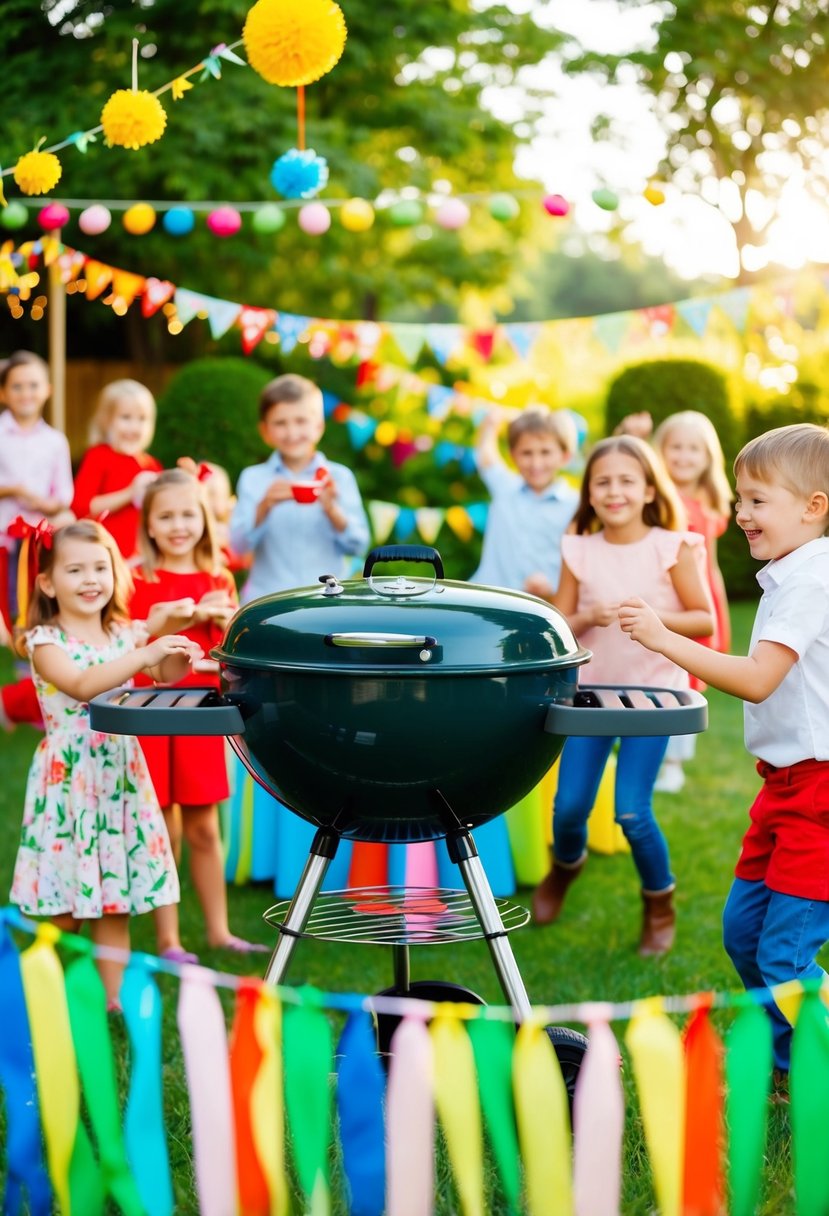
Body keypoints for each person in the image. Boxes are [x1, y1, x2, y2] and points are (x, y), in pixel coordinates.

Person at [620, 422, 829, 1088]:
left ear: (812, 506)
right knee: (744, 935)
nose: (740, 513)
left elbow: (756, 678)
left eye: (757, 500)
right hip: (783, 789)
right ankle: (791, 1057)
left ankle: (803, 1065)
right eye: (739, 497)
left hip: (819, 793)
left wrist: (661, 639)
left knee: (784, 957)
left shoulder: (810, 584)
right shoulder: (786, 578)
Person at [528, 435, 713, 954]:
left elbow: (704, 619)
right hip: (589, 695)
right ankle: (566, 868)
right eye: (603, 482)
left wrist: (654, 621)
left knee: (632, 811)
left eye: (627, 481)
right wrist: (587, 616)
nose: (615, 492)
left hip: (652, 698)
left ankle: (659, 901)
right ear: (589, 491)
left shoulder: (673, 545)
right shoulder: (578, 548)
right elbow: (560, 622)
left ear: (650, 489)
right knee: (568, 811)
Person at [9, 519, 199, 1006]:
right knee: (68, 908)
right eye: (75, 569)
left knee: (114, 900)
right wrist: (147, 649)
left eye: (101, 567)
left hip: (118, 776)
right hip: (72, 778)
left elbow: (163, 674)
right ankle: (35, 982)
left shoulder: (123, 632)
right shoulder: (44, 641)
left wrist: (176, 648)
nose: (91, 578)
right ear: (48, 583)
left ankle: (113, 1001)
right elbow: (82, 685)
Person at [130, 467, 264, 955]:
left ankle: (219, 931)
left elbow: (224, 661)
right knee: (163, 825)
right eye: (165, 516)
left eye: (188, 514)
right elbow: (130, 653)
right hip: (150, 714)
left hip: (201, 715)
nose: (178, 525)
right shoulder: (136, 577)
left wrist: (221, 622)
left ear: (205, 520)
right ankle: (167, 938)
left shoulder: (217, 578)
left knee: (205, 826)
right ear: (149, 524)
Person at [229, 373, 370, 601]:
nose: (292, 433)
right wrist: (264, 506)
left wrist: (332, 509)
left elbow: (359, 545)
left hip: (325, 601)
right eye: (280, 423)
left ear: (319, 427)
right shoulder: (253, 478)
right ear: (265, 431)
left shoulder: (339, 477)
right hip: (268, 602)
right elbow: (237, 546)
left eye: (301, 421)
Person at [652, 410, 734, 791]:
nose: (684, 456)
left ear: (707, 457)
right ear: (661, 451)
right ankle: (646, 746)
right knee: (654, 672)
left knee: (686, 679)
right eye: (676, 447)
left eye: (693, 449)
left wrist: (715, 604)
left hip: (695, 602)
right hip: (661, 599)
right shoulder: (655, 498)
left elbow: (710, 564)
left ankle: (675, 761)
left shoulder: (708, 502)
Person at [0, 351, 74, 630]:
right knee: (11, 596)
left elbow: (64, 497)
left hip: (40, 535)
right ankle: (17, 649)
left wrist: (42, 502)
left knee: (38, 594)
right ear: (3, 393)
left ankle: (37, 648)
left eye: (33, 385)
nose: (25, 393)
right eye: (17, 387)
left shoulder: (54, 441)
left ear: (47, 390)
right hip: (6, 536)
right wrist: (13, 490)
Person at [471, 405, 579, 595]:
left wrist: (552, 587)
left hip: (542, 607)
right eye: (527, 453)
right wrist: (490, 425)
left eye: (545, 452)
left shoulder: (576, 505)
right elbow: (486, 456)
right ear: (513, 456)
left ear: (565, 456)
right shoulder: (504, 487)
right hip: (486, 599)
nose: (536, 463)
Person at [71, 379, 162, 563]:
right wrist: (130, 493)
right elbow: (81, 508)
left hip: (142, 559)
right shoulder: (99, 457)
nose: (134, 427)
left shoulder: (152, 465)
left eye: (142, 419)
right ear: (106, 421)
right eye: (126, 418)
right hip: (103, 558)